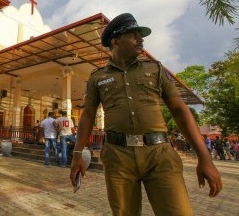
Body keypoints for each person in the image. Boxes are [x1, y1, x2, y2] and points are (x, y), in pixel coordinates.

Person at [69, 13, 222, 215]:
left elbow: (179, 110)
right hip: (118, 157)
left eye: (140, 36)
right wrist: (77, 154)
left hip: (160, 155)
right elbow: (87, 116)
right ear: (115, 40)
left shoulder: (156, 70)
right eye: (133, 35)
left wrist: (205, 158)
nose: (140, 40)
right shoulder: (97, 77)